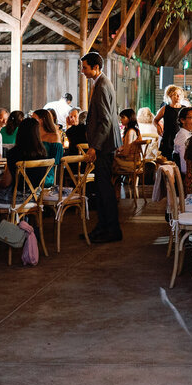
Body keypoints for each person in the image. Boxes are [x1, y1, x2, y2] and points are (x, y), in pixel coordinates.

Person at [80, 52, 122, 243]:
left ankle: (111, 230)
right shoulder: (101, 83)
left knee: (104, 189)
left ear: (95, 68)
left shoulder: (103, 85)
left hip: (104, 146)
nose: (83, 71)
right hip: (104, 144)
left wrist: (94, 147)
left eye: (85, 67)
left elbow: (105, 121)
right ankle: (103, 227)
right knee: (102, 188)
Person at [0, 118, 48, 205]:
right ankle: (21, 218)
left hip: (16, 199)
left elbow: (6, 183)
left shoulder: (14, 153)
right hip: (36, 196)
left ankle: (4, 218)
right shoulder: (43, 153)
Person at [154, 85, 186, 160]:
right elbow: (155, 120)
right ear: (170, 96)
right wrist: (158, 127)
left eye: (179, 94)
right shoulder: (165, 108)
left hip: (180, 137)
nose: (178, 96)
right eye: (175, 94)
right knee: (166, 160)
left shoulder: (184, 109)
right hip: (168, 138)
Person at [173, 106, 192, 172]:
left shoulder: (189, 134)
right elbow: (184, 165)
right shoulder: (183, 137)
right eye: (191, 118)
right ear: (182, 120)